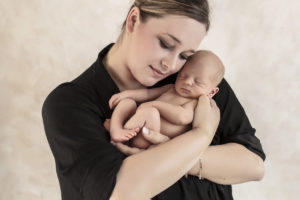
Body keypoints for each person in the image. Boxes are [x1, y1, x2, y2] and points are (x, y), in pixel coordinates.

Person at [42, 0, 265, 200]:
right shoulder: (69, 103)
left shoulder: (196, 80)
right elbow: (122, 193)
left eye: (185, 55)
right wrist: (201, 135)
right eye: (166, 44)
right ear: (133, 20)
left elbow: (253, 165)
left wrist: (173, 154)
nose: (171, 65)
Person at [106, 50, 225, 150]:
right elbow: (148, 93)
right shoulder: (170, 88)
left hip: (147, 139)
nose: (187, 82)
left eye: (198, 82)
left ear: (212, 92)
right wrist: (127, 94)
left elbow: (182, 117)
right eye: (183, 76)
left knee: (150, 113)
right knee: (128, 102)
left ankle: (124, 138)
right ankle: (116, 129)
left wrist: (156, 105)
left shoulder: (195, 103)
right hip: (137, 122)